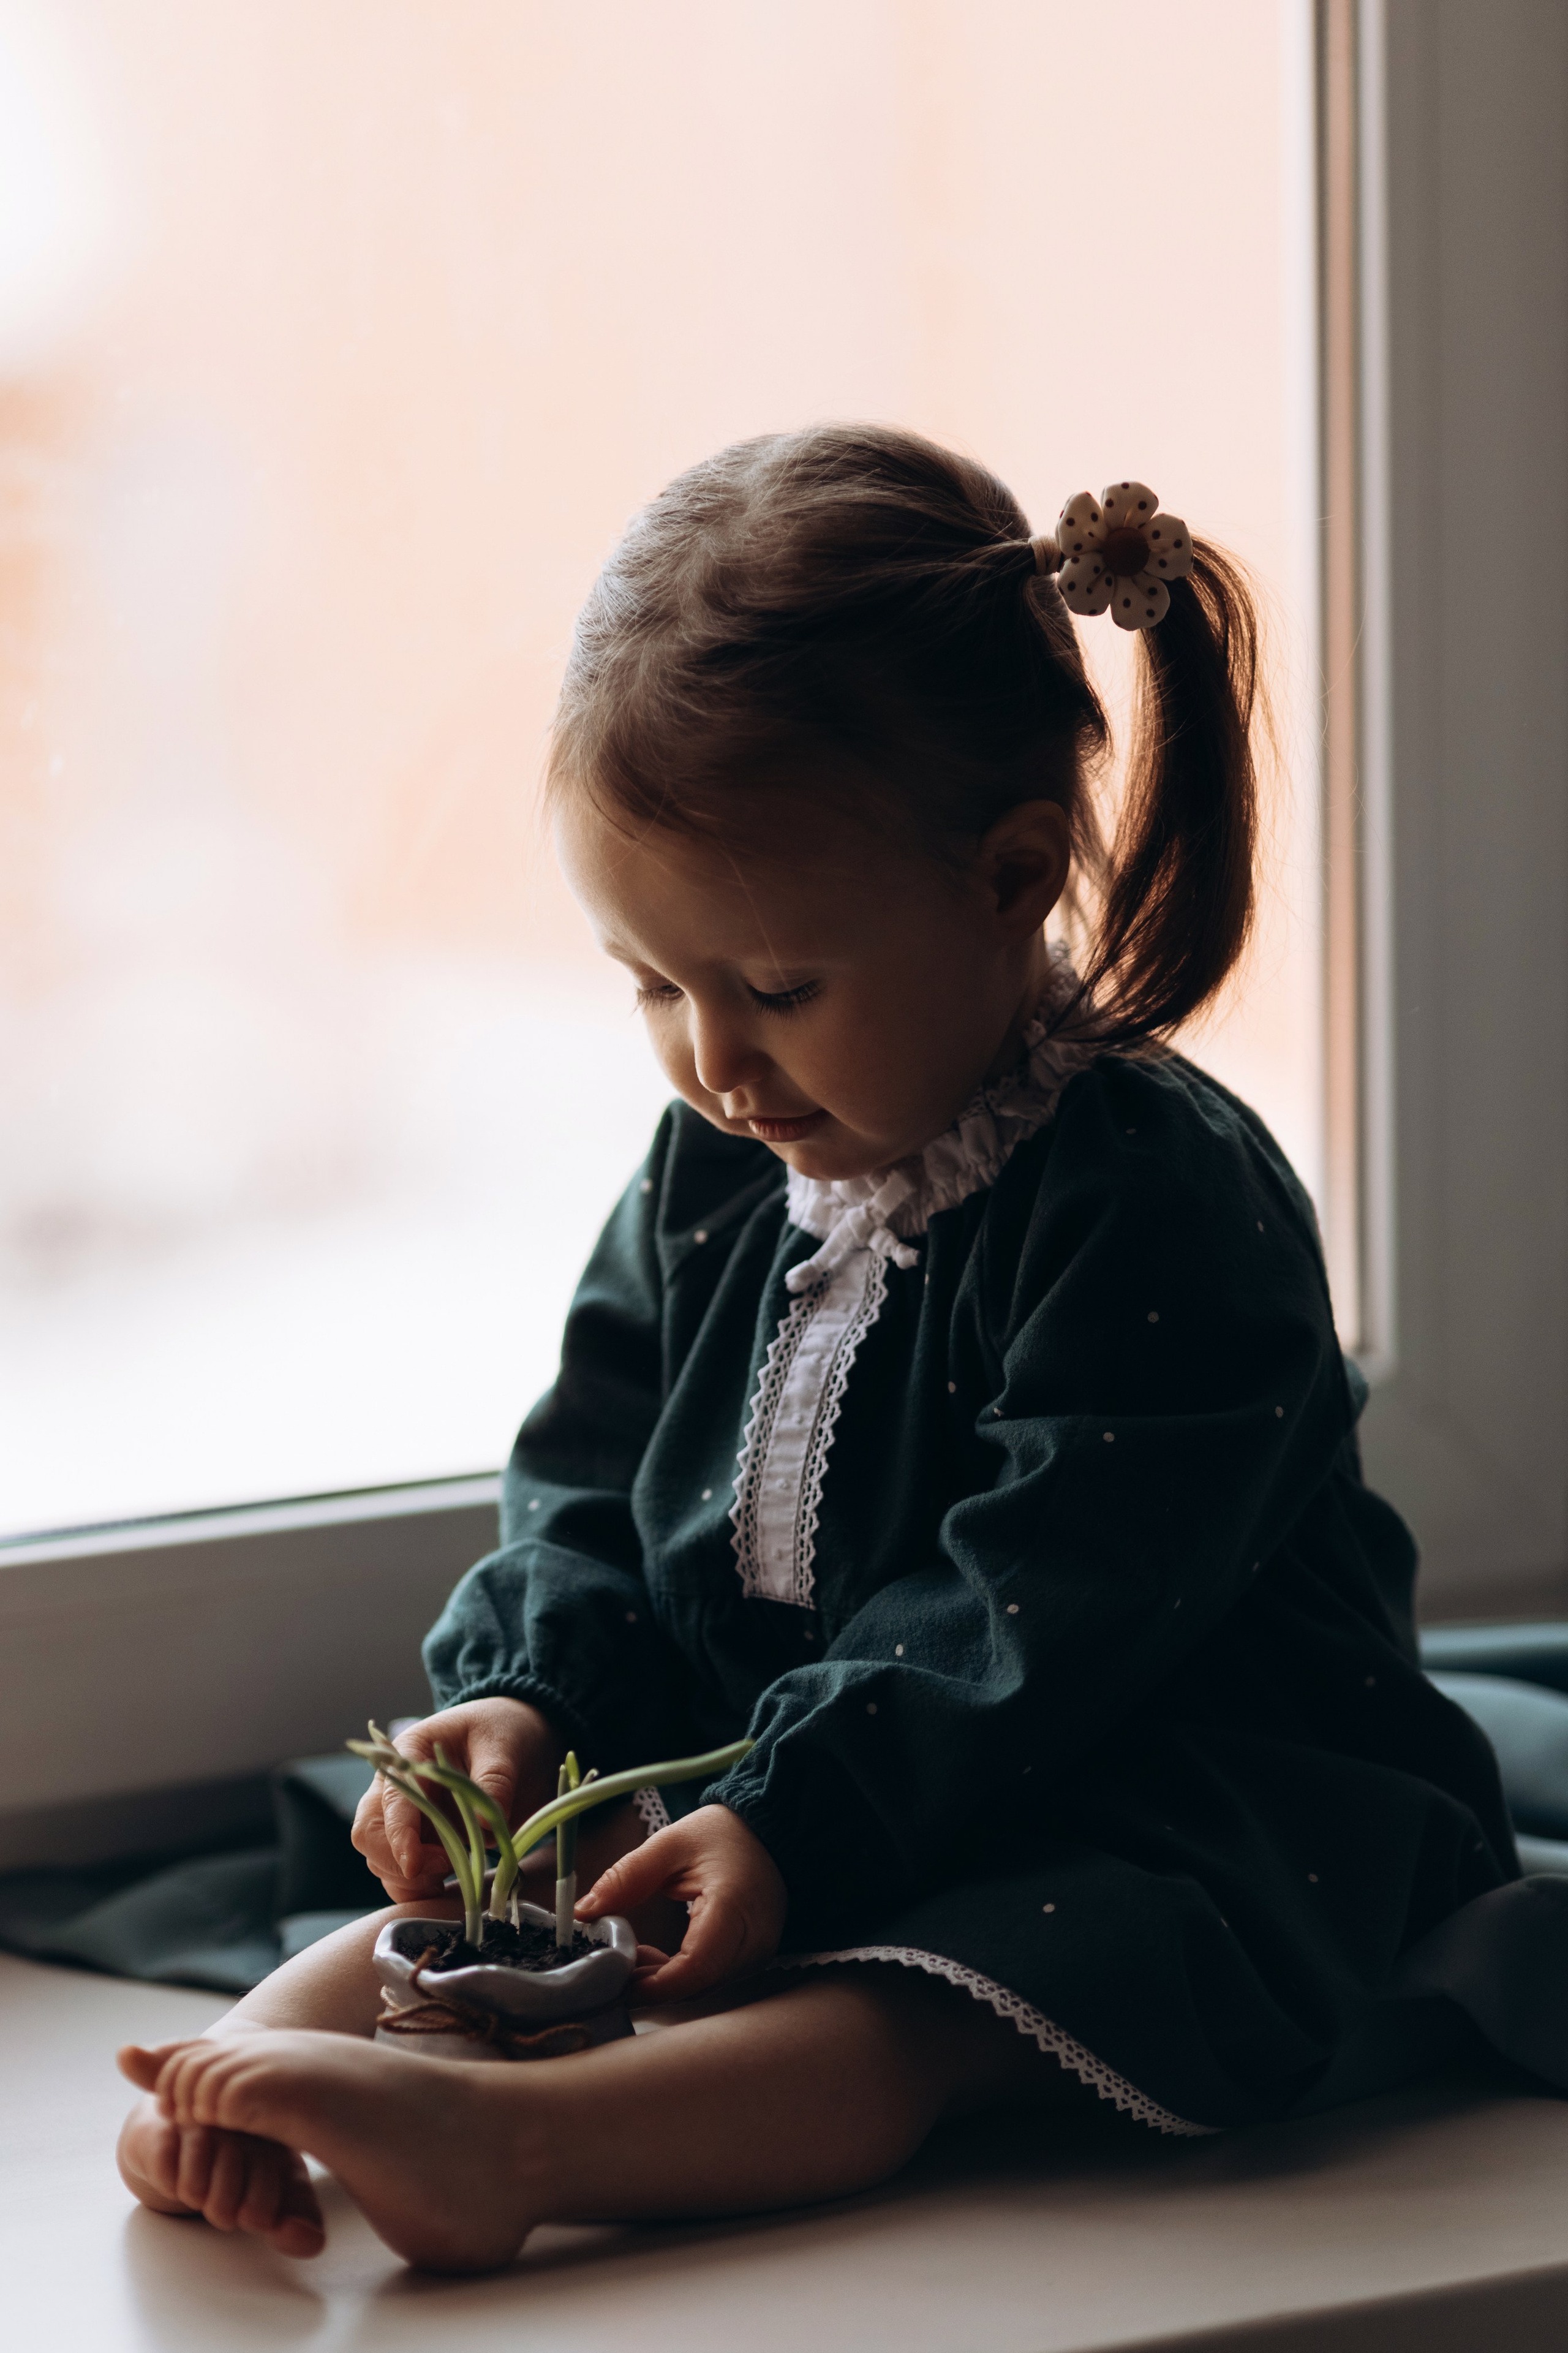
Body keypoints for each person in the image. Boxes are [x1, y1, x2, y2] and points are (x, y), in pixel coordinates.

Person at [116, 426, 1515, 2273]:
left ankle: (514, 2142)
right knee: (498, 1888)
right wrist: (530, 1697)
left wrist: (794, 1815)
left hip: (1139, 1773)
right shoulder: (724, 1158)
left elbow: (1046, 1607)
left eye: (775, 987)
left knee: (915, 2012)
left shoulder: (1157, 1199)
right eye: (652, 984)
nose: (713, 1061)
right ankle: (240, 2073)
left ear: (1013, 879)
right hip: (807, 1764)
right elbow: (597, 1464)